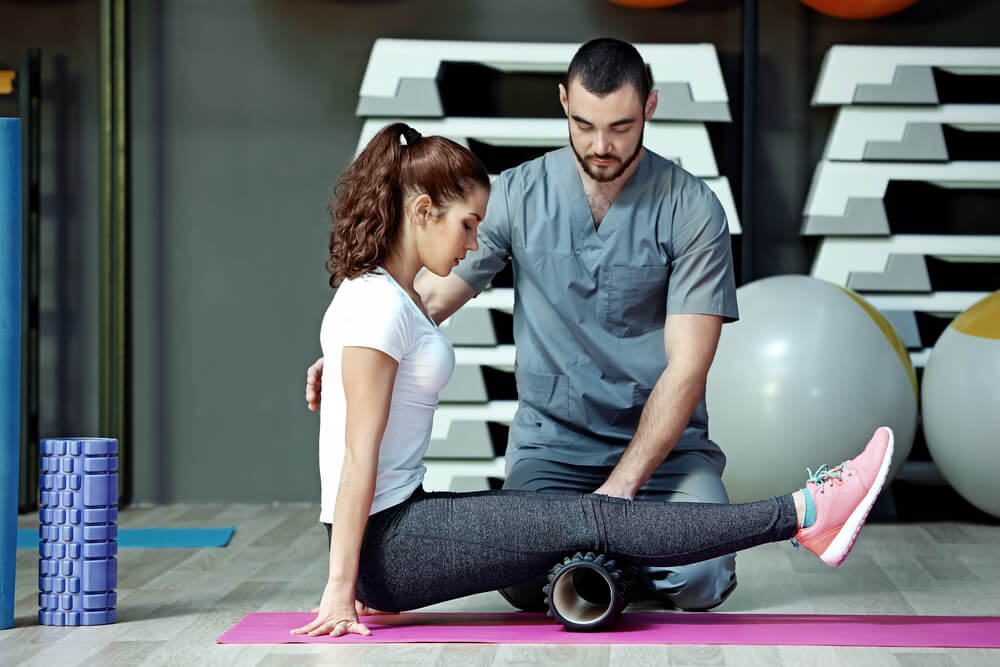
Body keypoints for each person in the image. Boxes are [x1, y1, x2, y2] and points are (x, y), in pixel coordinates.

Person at [292, 120, 894, 638]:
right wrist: (341, 588)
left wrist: (340, 364)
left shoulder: (384, 299)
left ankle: (608, 579)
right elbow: (355, 456)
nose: (474, 242)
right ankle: (810, 512)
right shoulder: (376, 306)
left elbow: (383, 347)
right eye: (468, 225)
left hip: (401, 528)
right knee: (590, 516)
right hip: (388, 543)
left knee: (577, 520)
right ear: (423, 212)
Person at [306, 37, 742, 612]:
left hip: (665, 454)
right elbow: (428, 298)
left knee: (700, 581)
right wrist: (358, 351)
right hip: (553, 448)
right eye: (585, 124)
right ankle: (614, 559)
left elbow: (688, 369)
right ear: (563, 101)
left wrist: (618, 492)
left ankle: (605, 561)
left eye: (621, 125)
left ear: (651, 108)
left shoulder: (692, 210)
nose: (601, 144)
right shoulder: (515, 195)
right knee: (519, 584)